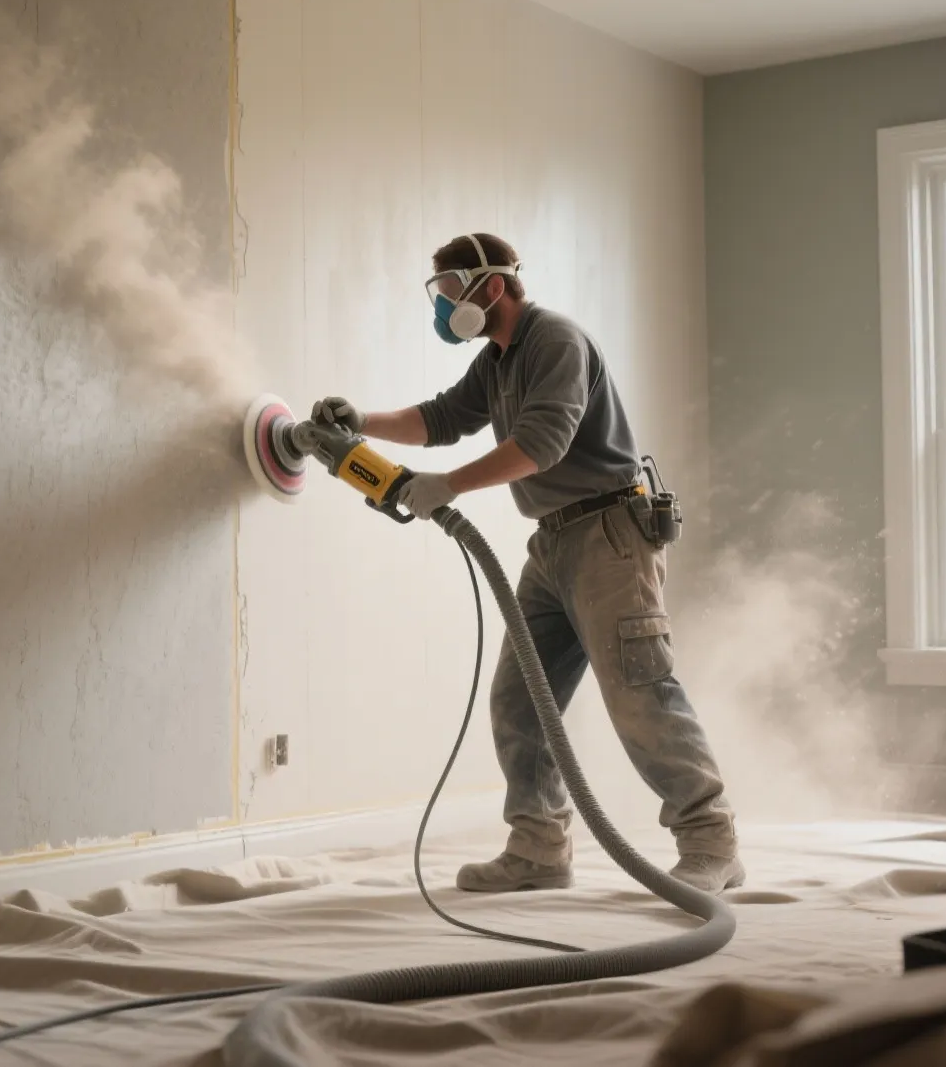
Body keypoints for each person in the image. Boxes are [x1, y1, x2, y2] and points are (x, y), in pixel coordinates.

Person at [314, 233, 744, 894]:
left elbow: (540, 445)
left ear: (492, 286)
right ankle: (540, 848)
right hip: (551, 543)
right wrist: (360, 420)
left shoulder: (555, 341)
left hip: (610, 537)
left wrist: (448, 486)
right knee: (519, 699)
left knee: (639, 691)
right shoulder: (497, 359)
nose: (444, 306)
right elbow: (442, 419)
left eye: (452, 290)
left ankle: (711, 841)